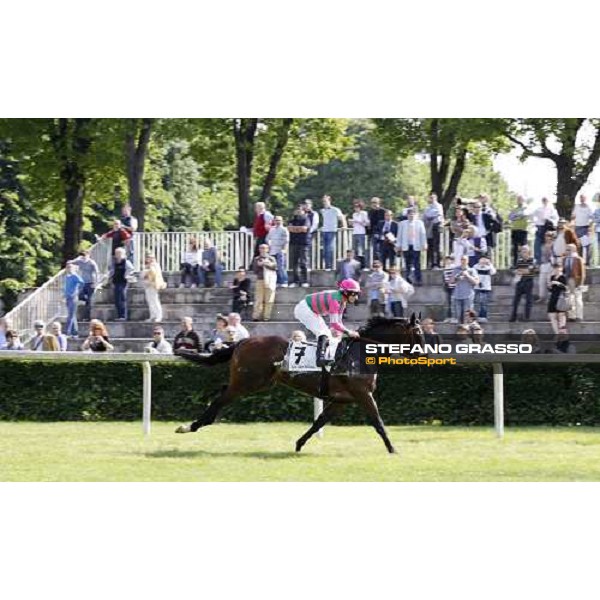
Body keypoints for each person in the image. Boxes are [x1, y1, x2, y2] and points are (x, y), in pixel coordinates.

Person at [293, 278, 361, 367]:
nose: (356, 297)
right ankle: (320, 359)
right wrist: (349, 332)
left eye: (357, 294)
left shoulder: (342, 302)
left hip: (310, 310)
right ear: (345, 292)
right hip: (304, 309)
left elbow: (339, 322)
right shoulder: (335, 301)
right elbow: (334, 324)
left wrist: (345, 332)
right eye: (354, 294)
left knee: (327, 334)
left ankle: (326, 356)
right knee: (323, 332)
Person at [396, 208, 427, 285]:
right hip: (406, 245)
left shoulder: (420, 223)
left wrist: (424, 244)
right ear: (407, 215)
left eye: (413, 214)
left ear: (416, 215)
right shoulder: (402, 223)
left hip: (416, 246)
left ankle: (418, 279)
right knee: (407, 263)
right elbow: (399, 235)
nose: (411, 216)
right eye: (410, 214)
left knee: (417, 263)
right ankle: (408, 278)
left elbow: (423, 235)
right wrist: (398, 245)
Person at [68, 250, 99, 321]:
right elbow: (70, 262)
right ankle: (87, 300)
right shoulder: (80, 262)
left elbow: (97, 272)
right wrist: (77, 259)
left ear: (88, 255)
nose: (83, 258)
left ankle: (87, 317)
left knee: (89, 301)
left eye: (85, 256)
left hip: (91, 283)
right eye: (82, 256)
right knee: (80, 296)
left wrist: (95, 283)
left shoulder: (91, 263)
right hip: (83, 283)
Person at [509, 246, 537, 323]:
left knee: (528, 300)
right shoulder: (519, 261)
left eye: (525, 251)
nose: (523, 252)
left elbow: (530, 271)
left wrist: (520, 270)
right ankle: (513, 317)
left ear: (529, 252)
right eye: (522, 251)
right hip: (520, 281)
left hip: (528, 281)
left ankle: (527, 317)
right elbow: (512, 269)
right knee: (515, 301)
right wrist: (517, 271)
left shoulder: (533, 260)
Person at [450, 255, 480, 324]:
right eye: (462, 259)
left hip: (468, 296)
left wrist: (467, 276)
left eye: (465, 259)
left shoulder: (472, 270)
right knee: (458, 315)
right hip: (457, 295)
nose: (463, 261)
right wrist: (457, 278)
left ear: (468, 261)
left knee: (467, 315)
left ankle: (468, 330)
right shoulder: (456, 269)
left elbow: (476, 282)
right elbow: (451, 281)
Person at [251, 244, 277, 321]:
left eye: (264, 248)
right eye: (261, 248)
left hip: (270, 280)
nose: (262, 249)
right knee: (258, 299)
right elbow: (255, 271)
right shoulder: (256, 259)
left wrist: (265, 264)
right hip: (260, 280)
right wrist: (259, 265)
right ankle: (256, 316)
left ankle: (266, 317)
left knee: (269, 299)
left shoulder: (272, 258)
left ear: (268, 249)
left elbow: (275, 267)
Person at [320, 195, 347, 270]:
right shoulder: (322, 210)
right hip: (324, 231)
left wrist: (344, 226)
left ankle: (330, 266)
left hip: (332, 231)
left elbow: (341, 218)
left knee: (330, 249)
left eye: (325, 201)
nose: (324, 202)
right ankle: (326, 265)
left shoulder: (335, 209)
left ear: (329, 201)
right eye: (323, 201)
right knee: (325, 250)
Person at [108, 247, 135, 321]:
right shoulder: (114, 262)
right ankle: (119, 315)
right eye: (117, 253)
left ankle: (123, 316)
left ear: (123, 254)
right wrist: (109, 278)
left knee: (122, 299)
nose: (118, 255)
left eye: (119, 253)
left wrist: (127, 275)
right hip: (115, 282)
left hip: (123, 282)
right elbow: (111, 271)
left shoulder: (126, 262)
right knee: (117, 299)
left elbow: (131, 269)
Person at [287, 205, 310, 288]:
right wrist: (298, 229)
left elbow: (304, 228)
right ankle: (295, 281)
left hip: (303, 243)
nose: (298, 211)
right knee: (294, 263)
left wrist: (294, 229)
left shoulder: (306, 219)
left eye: (300, 210)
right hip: (293, 243)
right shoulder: (292, 220)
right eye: (297, 209)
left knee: (304, 262)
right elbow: (289, 228)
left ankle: (305, 281)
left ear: (303, 211)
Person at [563, 243, 585, 322]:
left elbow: (582, 273)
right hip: (568, 280)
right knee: (569, 299)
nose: (567, 251)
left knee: (578, 299)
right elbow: (563, 270)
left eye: (569, 249)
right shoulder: (565, 259)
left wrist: (581, 283)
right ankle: (571, 316)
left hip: (575, 280)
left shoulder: (578, 259)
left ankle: (579, 316)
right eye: (567, 249)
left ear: (574, 250)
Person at [533, 197, 559, 264]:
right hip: (540, 227)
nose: (545, 201)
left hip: (548, 228)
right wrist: (535, 222)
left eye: (546, 200)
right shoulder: (538, 209)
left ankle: (551, 261)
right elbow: (532, 216)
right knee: (538, 245)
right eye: (543, 200)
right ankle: (538, 261)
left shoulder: (552, 209)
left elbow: (556, 218)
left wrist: (549, 219)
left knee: (550, 245)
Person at [266, 215, 290, 287]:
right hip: (272, 250)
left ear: (282, 221)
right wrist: (269, 244)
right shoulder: (272, 229)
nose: (277, 222)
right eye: (276, 220)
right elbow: (267, 238)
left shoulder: (284, 229)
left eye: (279, 220)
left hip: (280, 251)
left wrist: (284, 250)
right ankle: (278, 282)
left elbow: (286, 241)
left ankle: (284, 281)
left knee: (281, 267)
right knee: (274, 267)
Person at [142, 254, 166, 323]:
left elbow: (155, 275)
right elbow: (143, 275)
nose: (149, 259)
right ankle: (152, 316)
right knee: (150, 301)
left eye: (151, 258)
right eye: (148, 258)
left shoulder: (155, 265)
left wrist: (148, 271)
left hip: (153, 285)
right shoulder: (146, 266)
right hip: (147, 285)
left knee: (155, 301)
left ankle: (159, 316)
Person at [423, 193, 444, 269]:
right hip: (428, 228)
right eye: (430, 198)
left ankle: (437, 263)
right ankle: (429, 263)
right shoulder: (427, 207)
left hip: (436, 227)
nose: (431, 199)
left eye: (432, 198)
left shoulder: (439, 206)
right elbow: (425, 216)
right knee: (430, 246)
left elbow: (437, 214)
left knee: (436, 246)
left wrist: (429, 216)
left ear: (436, 198)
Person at [508, 195, 530, 267]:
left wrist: (517, 216)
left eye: (521, 199)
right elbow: (511, 217)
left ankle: (525, 263)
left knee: (524, 248)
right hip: (514, 230)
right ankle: (515, 263)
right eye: (518, 199)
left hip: (523, 230)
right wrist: (518, 216)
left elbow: (523, 215)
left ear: (523, 200)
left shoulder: (526, 208)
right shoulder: (514, 208)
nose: (519, 200)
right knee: (514, 248)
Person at [571, 194, 593, 265]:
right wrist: (572, 224)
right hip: (577, 227)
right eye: (581, 198)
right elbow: (573, 216)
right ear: (580, 199)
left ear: (585, 199)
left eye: (583, 198)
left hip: (585, 228)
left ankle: (587, 262)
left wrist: (590, 226)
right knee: (578, 245)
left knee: (587, 245)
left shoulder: (588, 207)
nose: (582, 199)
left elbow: (592, 218)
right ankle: (579, 261)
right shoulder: (576, 206)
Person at [547, 262, 568, 334]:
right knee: (552, 316)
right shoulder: (552, 277)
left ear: (561, 269)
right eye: (555, 269)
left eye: (558, 269)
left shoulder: (563, 277)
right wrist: (549, 286)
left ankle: (562, 334)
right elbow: (551, 289)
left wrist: (557, 283)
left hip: (560, 298)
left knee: (561, 316)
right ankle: (557, 333)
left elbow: (565, 288)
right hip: (553, 298)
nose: (556, 270)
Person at [473, 256, 496, 322]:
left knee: (484, 302)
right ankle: (474, 317)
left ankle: (483, 316)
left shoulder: (489, 267)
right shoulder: (475, 266)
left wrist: (490, 264)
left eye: (484, 259)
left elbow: (493, 272)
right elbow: (473, 274)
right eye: (481, 259)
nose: (483, 261)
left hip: (486, 287)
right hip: (477, 286)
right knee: (475, 302)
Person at [64, 262, 84, 338]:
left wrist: (77, 292)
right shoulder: (67, 277)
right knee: (72, 315)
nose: (68, 269)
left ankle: (67, 333)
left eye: (70, 267)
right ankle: (75, 332)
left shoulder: (75, 276)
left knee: (70, 316)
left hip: (73, 298)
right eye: (67, 267)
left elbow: (82, 283)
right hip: (68, 298)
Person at [350, 199, 369, 269]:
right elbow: (354, 225)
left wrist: (358, 221)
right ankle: (356, 264)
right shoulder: (354, 214)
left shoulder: (364, 213)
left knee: (363, 249)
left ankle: (365, 265)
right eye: (355, 207)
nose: (356, 208)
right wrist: (352, 223)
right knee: (354, 249)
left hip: (361, 232)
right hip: (355, 232)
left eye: (357, 207)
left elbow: (367, 223)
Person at [302, 199, 319, 270]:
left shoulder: (314, 213)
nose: (305, 206)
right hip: (301, 235)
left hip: (311, 234)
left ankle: (311, 266)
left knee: (310, 251)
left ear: (310, 205)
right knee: (302, 252)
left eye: (307, 204)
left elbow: (315, 224)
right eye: (304, 204)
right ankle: (303, 266)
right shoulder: (301, 213)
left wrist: (308, 231)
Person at [367, 197, 386, 262]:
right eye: (372, 202)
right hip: (373, 233)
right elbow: (370, 223)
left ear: (379, 203)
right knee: (375, 250)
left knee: (382, 250)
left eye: (375, 202)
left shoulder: (383, 211)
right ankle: (376, 265)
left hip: (382, 233)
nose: (373, 204)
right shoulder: (370, 211)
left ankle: (382, 265)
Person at [442, 255, 457, 323]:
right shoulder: (445, 268)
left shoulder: (454, 267)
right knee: (448, 303)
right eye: (446, 260)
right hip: (448, 287)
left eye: (449, 260)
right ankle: (448, 317)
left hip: (454, 287)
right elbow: (445, 278)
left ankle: (454, 317)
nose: (447, 261)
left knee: (453, 303)